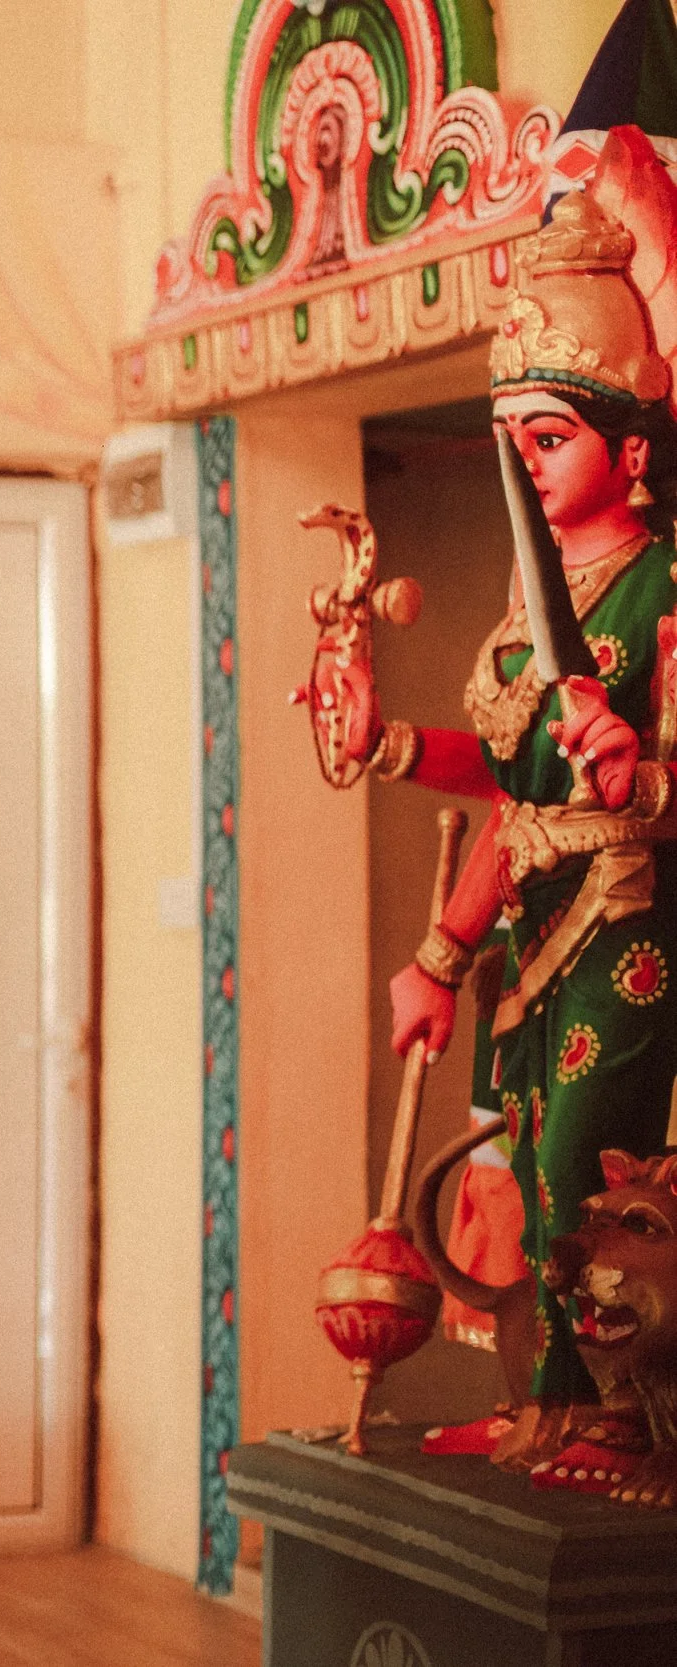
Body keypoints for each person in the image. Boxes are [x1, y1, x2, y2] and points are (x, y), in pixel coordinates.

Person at [366, 168, 677, 1467]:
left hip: (626, 924)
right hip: (531, 926)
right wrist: (438, 947)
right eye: (515, 447)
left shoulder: (662, 586)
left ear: (634, 447)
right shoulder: (528, 592)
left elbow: (629, 782)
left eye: (548, 439)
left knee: (583, 1158)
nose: (529, 469)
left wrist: (641, 777)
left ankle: (611, 1407)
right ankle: (541, 1397)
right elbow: (504, 783)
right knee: (517, 1163)